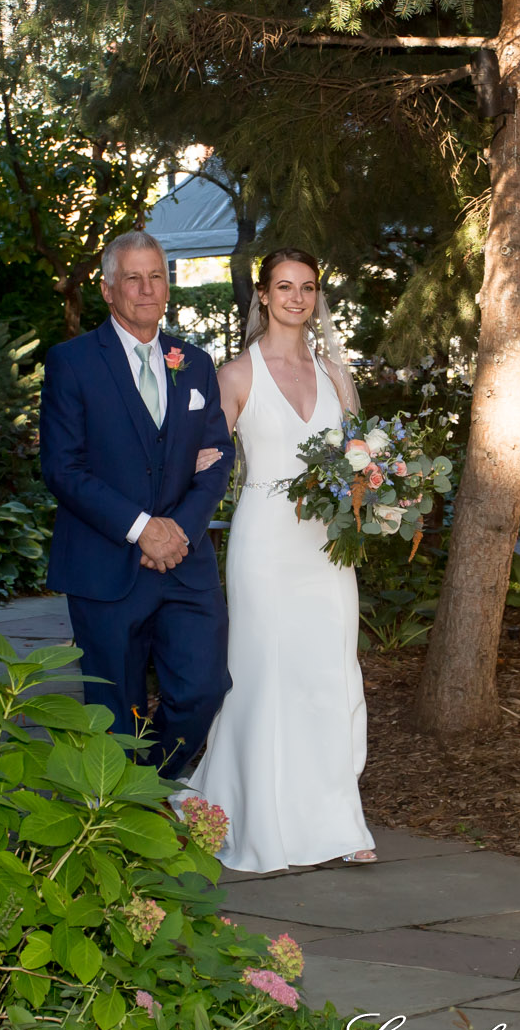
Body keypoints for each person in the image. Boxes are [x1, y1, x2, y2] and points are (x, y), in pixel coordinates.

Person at [184, 248, 377, 872]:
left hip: (326, 547)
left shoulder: (337, 378)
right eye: (284, 286)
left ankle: (336, 821)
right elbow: (202, 461)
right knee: (263, 676)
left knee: (330, 673)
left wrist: (376, 491)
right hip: (265, 541)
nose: (296, 297)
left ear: (318, 297)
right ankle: (255, 820)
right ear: (262, 295)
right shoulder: (236, 376)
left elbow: (359, 465)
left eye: (308, 287)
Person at [39, 230, 235, 776]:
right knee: (113, 711)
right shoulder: (73, 362)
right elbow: (62, 468)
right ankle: (119, 822)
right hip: (106, 565)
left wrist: (182, 530)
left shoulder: (193, 364)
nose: (147, 289)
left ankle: (151, 783)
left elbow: (218, 454)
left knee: (204, 689)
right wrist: (140, 527)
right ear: (107, 289)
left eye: (157, 277)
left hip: (184, 565)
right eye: (133, 278)